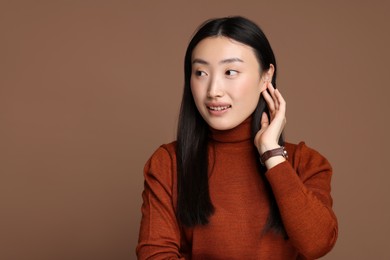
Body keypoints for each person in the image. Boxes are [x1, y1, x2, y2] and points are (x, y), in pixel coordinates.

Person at [136, 16, 338, 259]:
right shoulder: (167, 163)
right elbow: (155, 255)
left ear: (266, 76)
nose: (213, 91)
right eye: (200, 73)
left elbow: (317, 244)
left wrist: (271, 154)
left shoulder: (305, 163)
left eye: (230, 72)